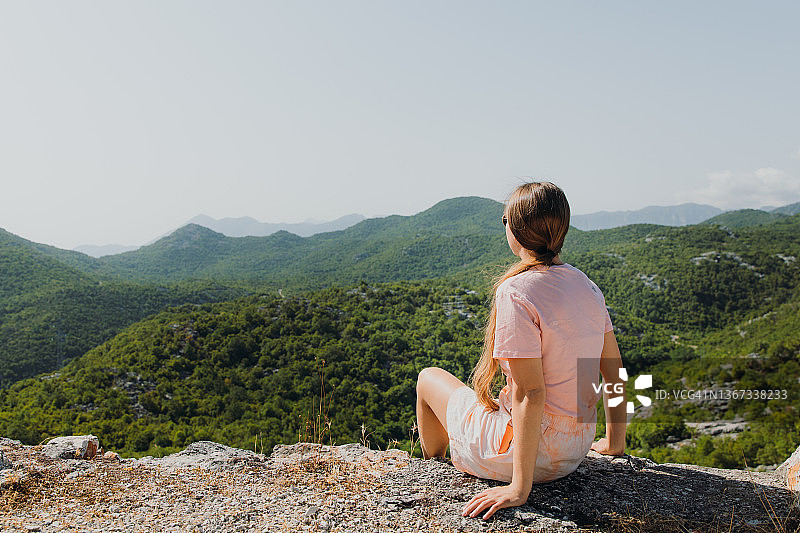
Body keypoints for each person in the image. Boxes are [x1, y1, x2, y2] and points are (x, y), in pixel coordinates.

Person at [415, 181, 627, 521]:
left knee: (429, 378)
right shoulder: (588, 287)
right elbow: (614, 372)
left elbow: (531, 392)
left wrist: (519, 488)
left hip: (525, 454)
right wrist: (615, 444)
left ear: (517, 230)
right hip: (574, 450)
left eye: (505, 221)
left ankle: (432, 466)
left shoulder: (516, 291)